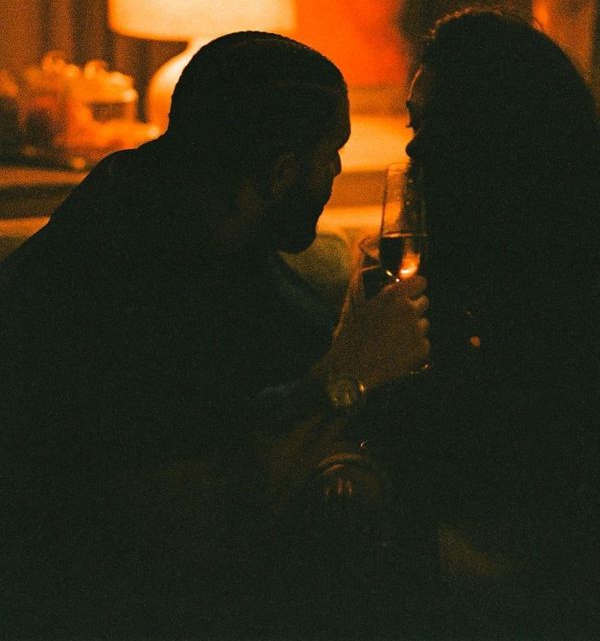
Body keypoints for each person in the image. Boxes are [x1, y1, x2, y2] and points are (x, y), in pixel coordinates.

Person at [0, 32, 429, 636]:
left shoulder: (210, 216)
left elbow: (273, 373)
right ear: (281, 170)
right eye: (330, 152)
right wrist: (349, 372)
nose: (335, 170)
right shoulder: (125, 270)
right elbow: (194, 502)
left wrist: (352, 326)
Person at [374, 8, 600, 638]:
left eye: (437, 125)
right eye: (413, 123)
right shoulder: (467, 276)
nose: (414, 147)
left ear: (504, 141)